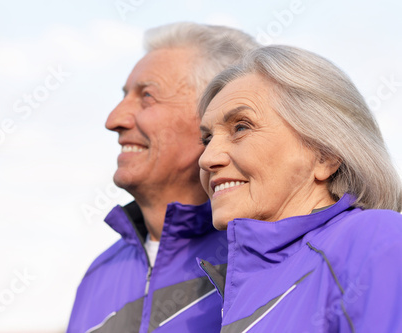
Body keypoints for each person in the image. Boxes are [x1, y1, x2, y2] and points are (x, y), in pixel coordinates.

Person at [67, 22, 258, 333]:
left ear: (218, 115)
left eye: (147, 96)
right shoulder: (98, 275)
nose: (113, 120)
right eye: (125, 95)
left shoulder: (266, 255)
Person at [197, 45, 402, 332]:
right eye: (206, 139)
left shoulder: (375, 239)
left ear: (325, 154)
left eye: (241, 127)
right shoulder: (236, 290)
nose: (207, 159)